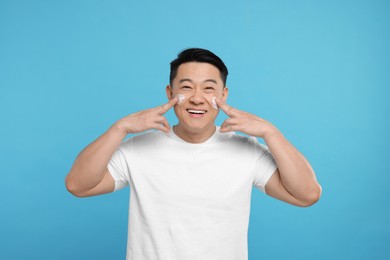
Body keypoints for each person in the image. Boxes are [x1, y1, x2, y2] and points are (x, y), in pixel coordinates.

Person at [65, 48, 322, 260]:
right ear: (170, 93)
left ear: (223, 95)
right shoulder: (137, 149)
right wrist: (119, 128)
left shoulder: (248, 151)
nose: (197, 98)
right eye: (186, 87)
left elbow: (307, 194)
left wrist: (271, 133)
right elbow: (77, 185)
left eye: (209, 88)